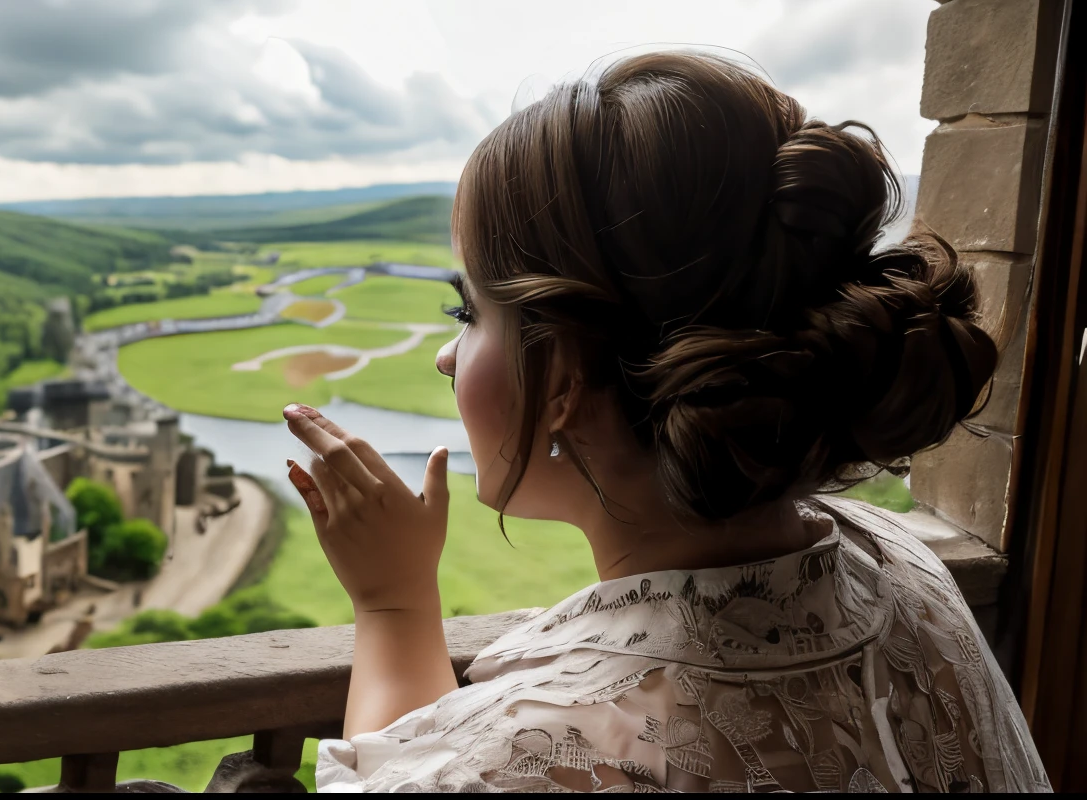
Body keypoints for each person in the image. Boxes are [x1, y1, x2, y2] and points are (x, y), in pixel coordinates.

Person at [281, 52, 1050, 793]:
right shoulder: (900, 570)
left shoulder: (538, 758)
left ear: (566, 375)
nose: (448, 358)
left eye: (470, 313)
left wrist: (392, 601)